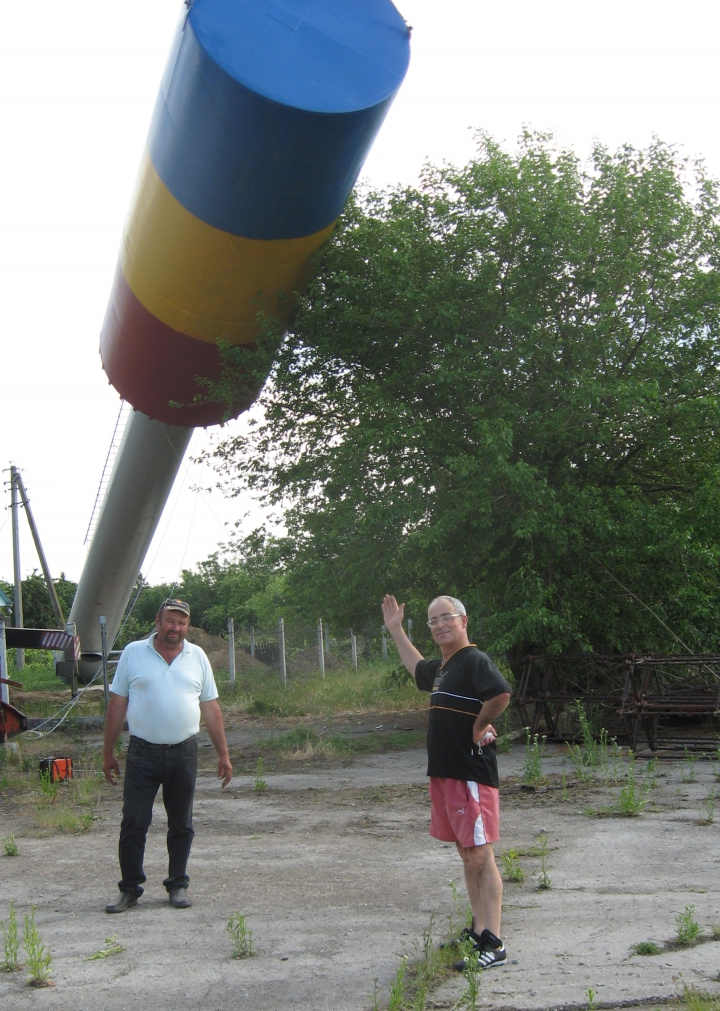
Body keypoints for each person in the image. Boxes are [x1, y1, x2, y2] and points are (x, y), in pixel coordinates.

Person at [381, 593, 511, 970]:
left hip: (470, 773)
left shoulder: (473, 660)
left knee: (481, 855)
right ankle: (477, 929)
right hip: (446, 772)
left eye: (445, 618)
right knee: (467, 854)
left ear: (463, 621)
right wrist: (395, 631)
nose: (439, 625)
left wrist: (480, 726)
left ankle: (494, 943)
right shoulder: (445, 666)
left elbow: (500, 693)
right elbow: (418, 668)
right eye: (432, 620)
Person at [102, 598, 232, 912]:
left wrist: (223, 755)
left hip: (183, 753)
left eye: (182, 623)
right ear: (158, 621)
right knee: (134, 821)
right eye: (171, 621)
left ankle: (177, 885)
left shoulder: (197, 656)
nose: (176, 628)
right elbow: (117, 705)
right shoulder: (133, 653)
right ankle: (130, 889)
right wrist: (107, 752)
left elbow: (211, 709)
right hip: (142, 753)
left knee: (181, 823)